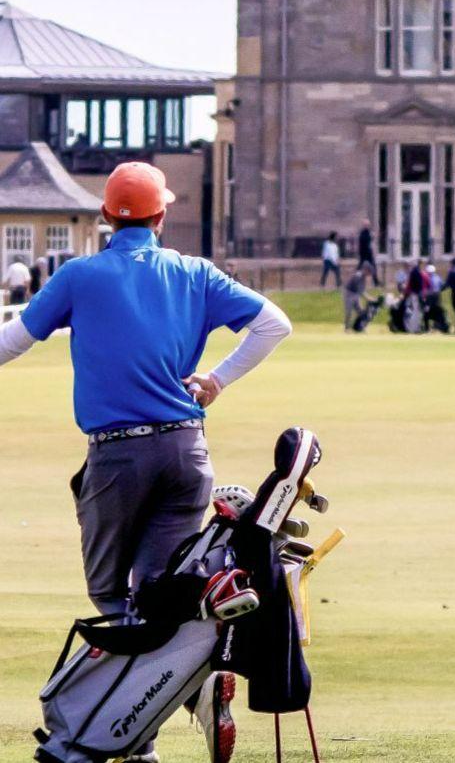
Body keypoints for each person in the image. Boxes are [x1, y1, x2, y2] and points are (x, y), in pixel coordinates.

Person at [0, 162, 292, 763]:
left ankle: (138, 739)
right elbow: (274, 324)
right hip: (187, 451)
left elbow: (15, 339)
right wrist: (218, 379)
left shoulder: (80, 275)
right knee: (164, 596)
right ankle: (194, 696)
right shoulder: (192, 272)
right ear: (162, 216)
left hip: (118, 455)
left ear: (106, 216)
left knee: (112, 598)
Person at [342, 266, 368, 332]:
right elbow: (361, 291)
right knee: (349, 311)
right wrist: (370, 298)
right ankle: (347, 328)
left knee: (360, 311)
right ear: (365, 270)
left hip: (355, 294)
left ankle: (360, 327)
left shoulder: (363, 277)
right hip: (349, 293)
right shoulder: (358, 276)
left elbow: (362, 289)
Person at [356, 221, 378, 287]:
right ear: (364, 225)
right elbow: (364, 242)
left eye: (368, 225)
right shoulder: (363, 234)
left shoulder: (368, 232)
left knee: (373, 267)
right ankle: (356, 280)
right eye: (366, 225)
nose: (368, 226)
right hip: (364, 254)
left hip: (368, 254)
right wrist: (372, 237)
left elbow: (370, 241)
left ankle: (376, 282)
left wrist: (373, 237)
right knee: (360, 268)